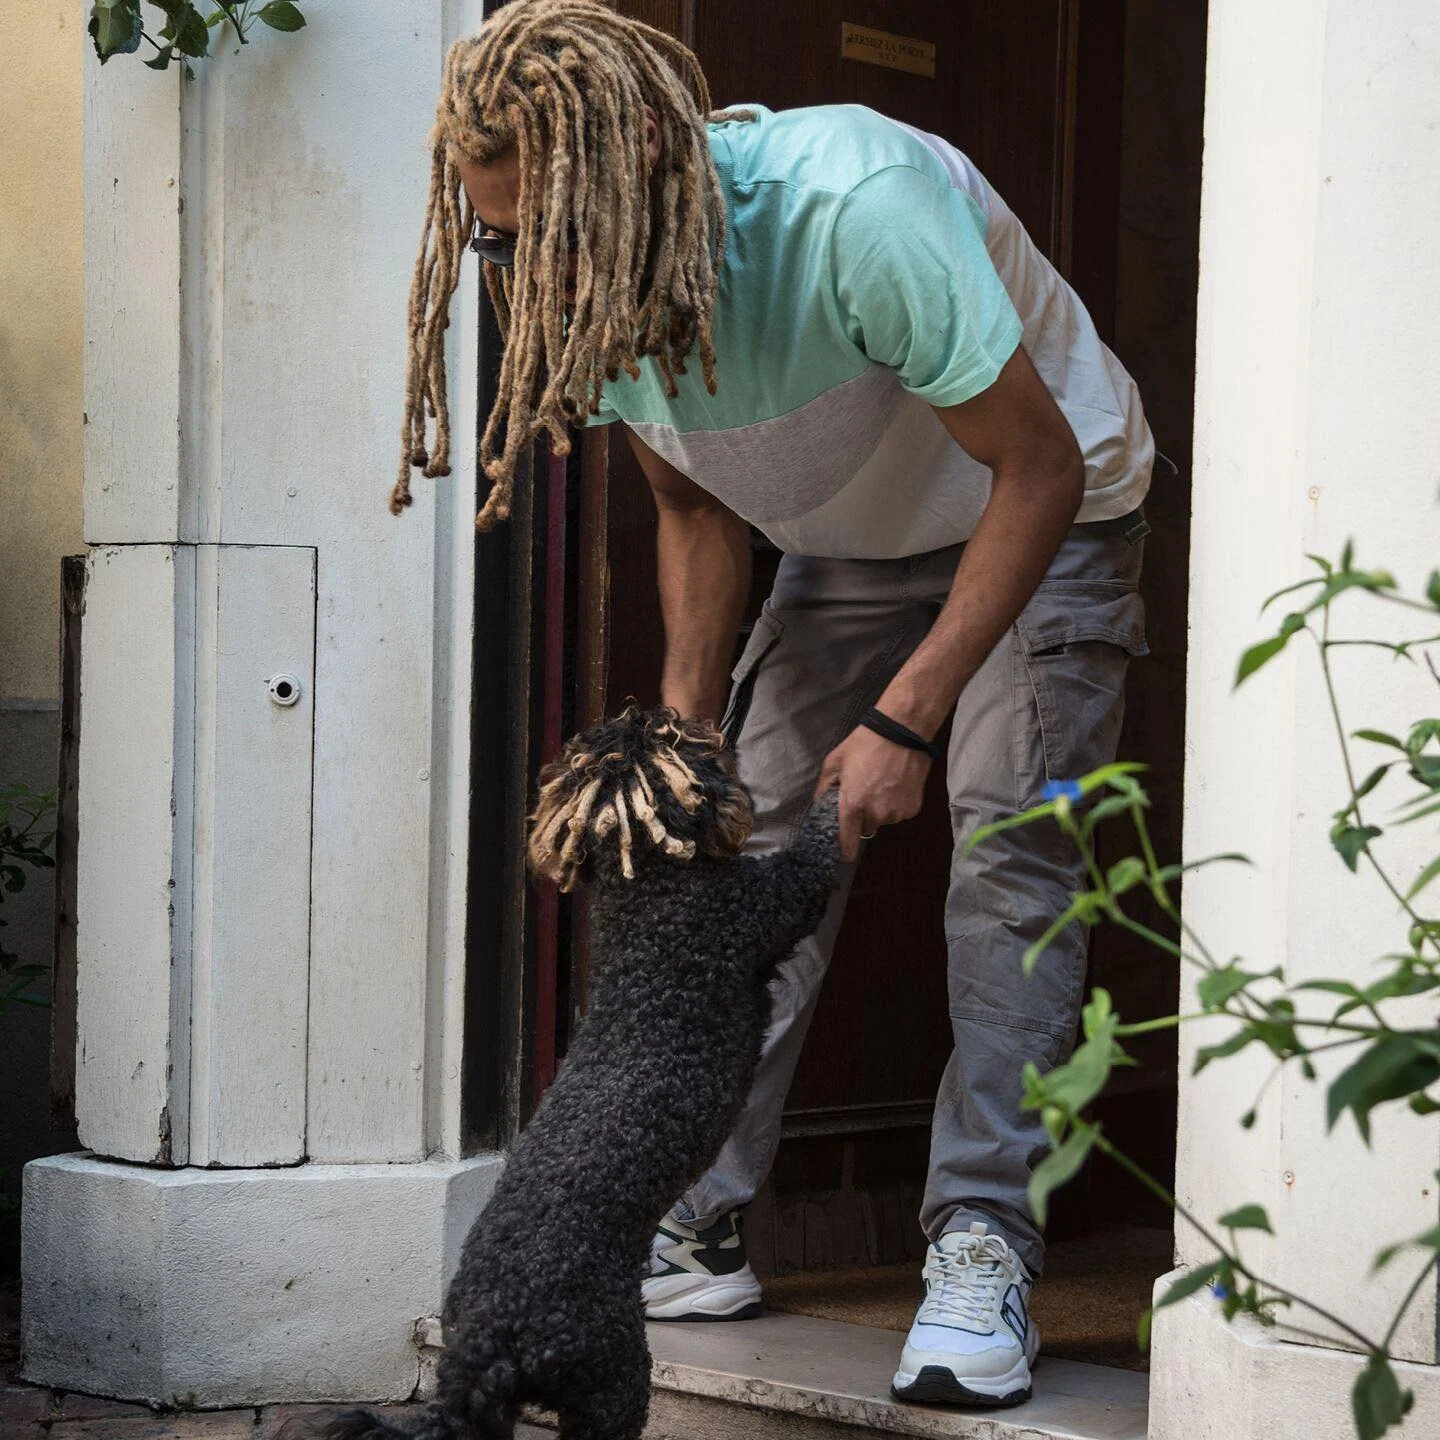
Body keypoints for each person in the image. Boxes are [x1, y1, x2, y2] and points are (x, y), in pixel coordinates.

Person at [398, 0, 1156, 1410]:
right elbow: (694, 503)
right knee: (731, 861)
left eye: (541, 232)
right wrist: (689, 747)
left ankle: (982, 1244)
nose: (521, 270)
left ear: (636, 167)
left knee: (1010, 861)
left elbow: (1038, 472)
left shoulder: (856, 206)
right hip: (848, 544)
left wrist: (912, 713)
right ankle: (697, 1217)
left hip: (1045, 515)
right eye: (496, 236)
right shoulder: (588, 283)